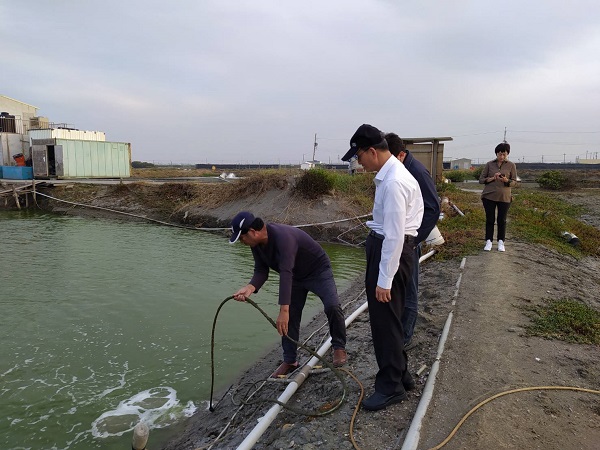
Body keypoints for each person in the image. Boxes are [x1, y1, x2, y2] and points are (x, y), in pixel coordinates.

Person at [341, 124, 424, 411]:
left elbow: (395, 235)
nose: (358, 162)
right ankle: (401, 374)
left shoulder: (393, 182)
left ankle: (390, 386)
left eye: (359, 156)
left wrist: (384, 279)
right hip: (394, 251)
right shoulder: (391, 175)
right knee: (392, 317)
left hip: (392, 254)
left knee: (384, 321)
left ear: (372, 151)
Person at [229, 211, 347, 377]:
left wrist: (283, 311)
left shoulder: (283, 237)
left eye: (241, 238)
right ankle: (290, 360)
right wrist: (249, 288)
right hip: (296, 277)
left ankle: (339, 347)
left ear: (253, 232)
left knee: (332, 306)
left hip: (318, 271)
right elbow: (261, 270)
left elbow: (285, 272)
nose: (242, 242)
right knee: (291, 317)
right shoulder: (256, 245)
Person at [385, 133, 440, 348]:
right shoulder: (400, 168)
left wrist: (415, 239)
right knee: (399, 287)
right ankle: (398, 331)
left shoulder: (415, 171)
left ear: (399, 154)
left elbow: (433, 207)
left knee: (409, 289)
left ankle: (405, 337)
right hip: (402, 239)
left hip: (410, 240)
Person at [478, 142, 518, 252]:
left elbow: (515, 182)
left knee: (502, 220)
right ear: (496, 154)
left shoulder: (511, 165)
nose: (501, 157)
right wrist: (492, 178)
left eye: (504, 154)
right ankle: (488, 241)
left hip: (504, 197)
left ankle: (501, 242)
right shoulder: (489, 164)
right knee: (490, 219)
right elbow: (481, 180)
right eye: (500, 154)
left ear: (507, 154)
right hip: (489, 196)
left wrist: (507, 181)